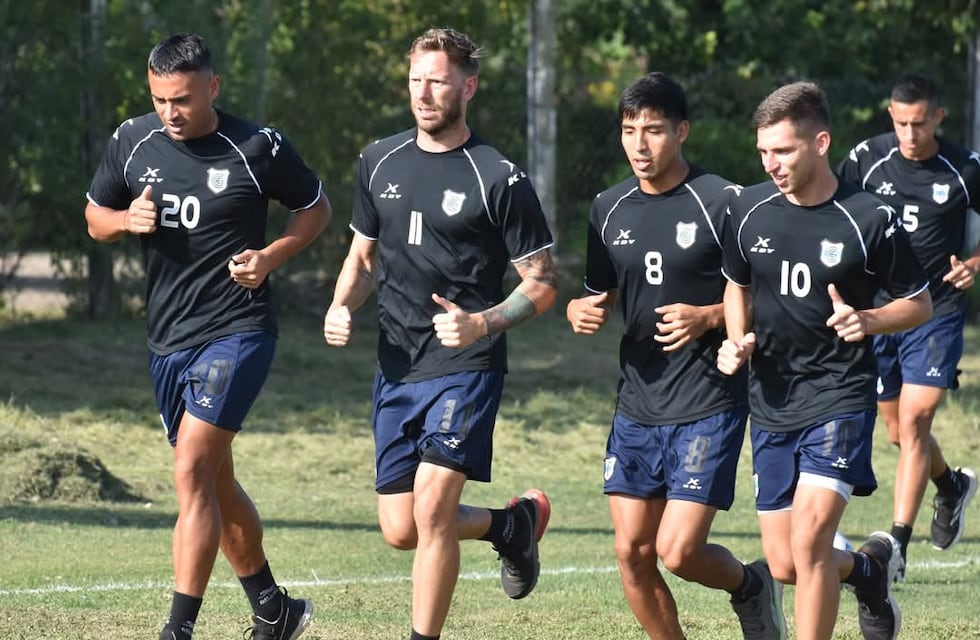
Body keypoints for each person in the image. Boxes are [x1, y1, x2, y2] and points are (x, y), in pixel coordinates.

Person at [84, 33, 331, 640]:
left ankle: (178, 630)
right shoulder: (131, 140)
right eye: (161, 99)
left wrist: (272, 256)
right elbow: (94, 217)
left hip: (239, 329)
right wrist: (123, 220)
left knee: (191, 470)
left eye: (185, 99)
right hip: (168, 338)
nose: (172, 111)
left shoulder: (256, 146)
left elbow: (317, 209)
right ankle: (274, 610)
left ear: (213, 88)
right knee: (214, 481)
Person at [322, 28, 557, 640]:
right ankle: (512, 527)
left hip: (467, 366)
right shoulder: (378, 160)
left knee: (432, 509)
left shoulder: (497, 176)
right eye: (416, 81)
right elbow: (364, 258)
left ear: (468, 87)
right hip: (397, 367)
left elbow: (541, 282)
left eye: (439, 81)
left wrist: (483, 322)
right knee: (401, 528)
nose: (424, 94)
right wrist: (341, 305)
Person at [565, 72, 784, 640]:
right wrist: (579, 310)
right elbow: (598, 292)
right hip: (637, 401)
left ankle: (751, 586)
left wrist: (709, 317)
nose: (640, 144)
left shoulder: (726, 202)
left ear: (681, 131)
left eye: (655, 131)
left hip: (708, 397)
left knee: (679, 551)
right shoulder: (607, 208)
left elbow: (773, 293)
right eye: (629, 130)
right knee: (633, 552)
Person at [717, 81, 932, 640]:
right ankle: (867, 570)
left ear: (820, 143)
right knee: (787, 563)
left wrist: (869, 320)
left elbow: (919, 302)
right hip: (770, 402)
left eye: (783, 151)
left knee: (811, 542)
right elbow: (735, 285)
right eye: (763, 151)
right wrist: (737, 337)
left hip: (840, 394)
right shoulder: (746, 209)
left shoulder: (868, 216)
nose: (771, 164)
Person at [837, 74, 980, 580]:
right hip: (880, 314)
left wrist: (976, 262)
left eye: (919, 123)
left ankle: (896, 544)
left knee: (916, 422)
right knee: (897, 430)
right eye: (900, 123)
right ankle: (951, 485)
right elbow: (832, 210)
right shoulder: (865, 159)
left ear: (938, 117)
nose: (909, 134)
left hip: (936, 312)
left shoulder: (963, 168)